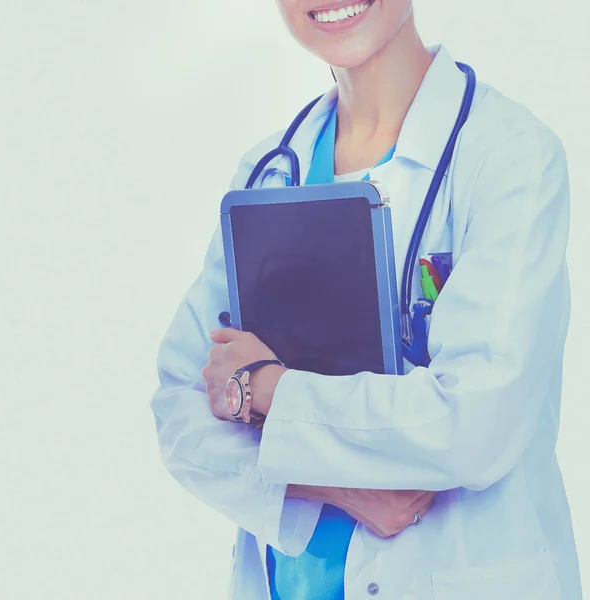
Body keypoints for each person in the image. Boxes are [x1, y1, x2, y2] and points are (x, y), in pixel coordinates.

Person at [149, 1, 583, 598]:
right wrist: (335, 486)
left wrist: (266, 390)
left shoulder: (508, 156)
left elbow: (474, 425)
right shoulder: (269, 173)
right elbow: (179, 406)